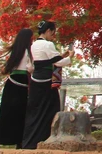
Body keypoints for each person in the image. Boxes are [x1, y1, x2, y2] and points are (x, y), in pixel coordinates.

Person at [21, 21, 72, 149]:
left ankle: (29, 141)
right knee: (51, 109)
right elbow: (58, 62)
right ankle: (46, 138)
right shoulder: (48, 44)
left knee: (35, 110)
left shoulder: (33, 45)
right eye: (53, 32)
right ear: (48, 31)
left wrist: (62, 56)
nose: (53, 35)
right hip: (46, 82)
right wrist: (70, 57)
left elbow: (39, 63)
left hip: (35, 81)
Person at [0, 28, 34, 153]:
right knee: (21, 113)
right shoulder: (27, 51)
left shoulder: (16, 51)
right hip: (21, 84)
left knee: (6, 113)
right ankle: (20, 142)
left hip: (12, 84)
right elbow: (30, 68)